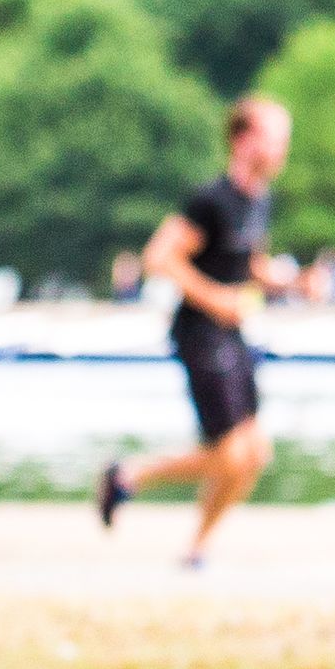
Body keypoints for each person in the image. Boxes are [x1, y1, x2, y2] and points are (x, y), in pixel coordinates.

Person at [98, 94, 295, 564]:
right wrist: (215, 298)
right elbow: (159, 257)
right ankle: (129, 475)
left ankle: (196, 547)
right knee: (230, 454)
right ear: (244, 139)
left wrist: (288, 281)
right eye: (275, 137)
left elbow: (249, 262)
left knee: (255, 455)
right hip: (199, 334)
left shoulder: (259, 199)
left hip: (232, 334)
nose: (283, 149)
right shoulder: (211, 199)